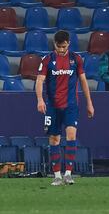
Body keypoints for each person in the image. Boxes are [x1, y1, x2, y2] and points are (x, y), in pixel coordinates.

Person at [36, 30, 94, 186]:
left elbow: (83, 81)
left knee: (71, 135)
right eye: (58, 46)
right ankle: (57, 176)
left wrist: (89, 103)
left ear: (69, 43)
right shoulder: (47, 60)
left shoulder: (76, 59)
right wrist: (40, 100)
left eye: (64, 46)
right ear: (54, 44)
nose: (61, 50)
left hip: (71, 105)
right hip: (53, 106)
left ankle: (68, 174)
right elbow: (40, 81)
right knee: (54, 139)